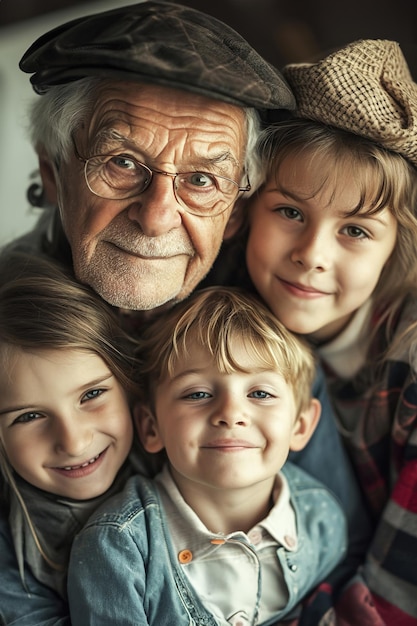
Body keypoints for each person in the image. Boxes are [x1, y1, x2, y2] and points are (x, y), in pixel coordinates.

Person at [204, 38, 417, 624]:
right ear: (245, 213)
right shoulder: (226, 328)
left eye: (355, 230)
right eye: (291, 212)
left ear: (398, 241)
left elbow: (396, 597)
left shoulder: (411, 366)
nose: (312, 255)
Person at [67, 287, 347, 625]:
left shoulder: (322, 518)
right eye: (198, 393)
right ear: (151, 427)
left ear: (300, 426)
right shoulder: (117, 549)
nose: (230, 413)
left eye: (260, 393)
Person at [0, 251, 142, 624]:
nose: (74, 442)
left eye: (91, 395)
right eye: (29, 416)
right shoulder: (9, 556)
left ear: (127, 384)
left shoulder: (181, 464)